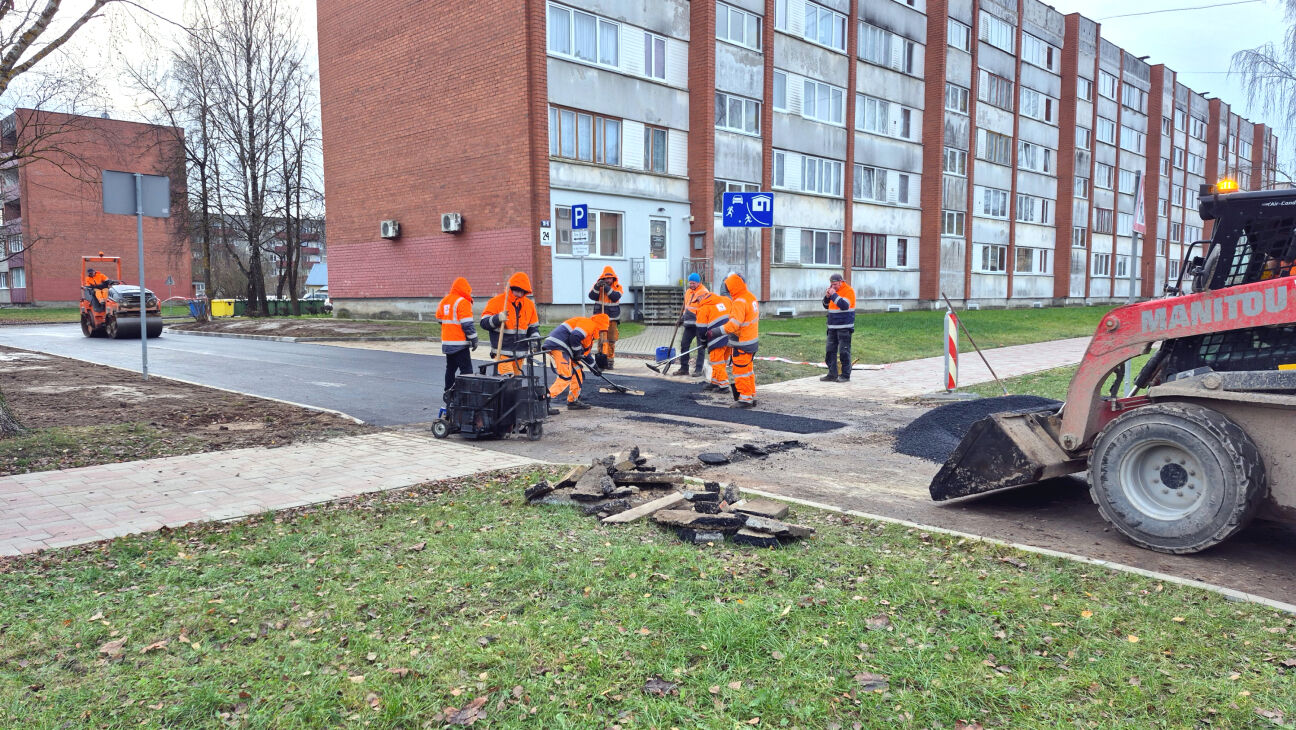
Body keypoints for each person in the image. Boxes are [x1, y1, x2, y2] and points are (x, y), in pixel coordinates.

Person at [543, 313, 609, 411]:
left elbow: (585, 354)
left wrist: (595, 368)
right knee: (565, 376)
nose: (601, 333)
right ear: (600, 325)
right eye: (602, 330)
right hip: (559, 346)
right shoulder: (589, 324)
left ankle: (573, 401)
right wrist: (577, 352)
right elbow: (575, 336)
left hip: (565, 348)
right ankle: (543, 402)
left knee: (578, 372)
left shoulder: (589, 333)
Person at [480, 272, 541, 376]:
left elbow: (533, 327)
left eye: (523, 291)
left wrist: (535, 341)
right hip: (502, 351)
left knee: (516, 381)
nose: (520, 294)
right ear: (511, 288)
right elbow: (484, 323)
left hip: (520, 353)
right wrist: (497, 318)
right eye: (517, 291)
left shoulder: (529, 305)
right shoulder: (496, 302)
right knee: (508, 379)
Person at [720, 272, 760, 408]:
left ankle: (745, 398)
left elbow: (734, 324)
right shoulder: (750, 297)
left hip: (741, 343)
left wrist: (717, 331)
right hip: (751, 341)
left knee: (740, 371)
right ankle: (752, 395)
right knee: (748, 370)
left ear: (731, 288)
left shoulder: (739, 302)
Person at [436, 277, 478, 397]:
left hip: (447, 343)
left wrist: (450, 327)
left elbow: (439, 318)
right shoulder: (463, 302)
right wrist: (474, 339)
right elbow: (467, 324)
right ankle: (466, 395)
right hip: (460, 344)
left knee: (450, 369)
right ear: (465, 289)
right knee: (467, 371)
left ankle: (448, 393)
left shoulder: (445, 300)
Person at [694, 287, 734, 394]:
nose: (697, 303)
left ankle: (724, 386)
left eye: (697, 300)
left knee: (717, 362)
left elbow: (701, 328)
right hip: (730, 337)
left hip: (717, 338)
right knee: (721, 362)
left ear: (702, 297)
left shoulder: (704, 308)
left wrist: (703, 341)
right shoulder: (726, 300)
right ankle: (715, 382)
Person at [821, 273, 856, 382]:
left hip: (844, 327)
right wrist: (827, 297)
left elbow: (844, 305)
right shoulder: (833, 292)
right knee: (830, 351)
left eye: (835, 284)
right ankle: (832, 374)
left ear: (841, 282)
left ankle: (845, 375)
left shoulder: (849, 291)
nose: (833, 286)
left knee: (844, 351)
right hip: (832, 327)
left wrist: (834, 294)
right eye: (831, 284)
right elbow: (826, 306)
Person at [674, 273, 710, 377]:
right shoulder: (688, 292)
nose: (691, 285)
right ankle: (684, 368)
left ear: (699, 282)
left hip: (700, 325)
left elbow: (706, 309)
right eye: (690, 283)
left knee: (700, 347)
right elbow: (686, 308)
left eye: (693, 283)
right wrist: (682, 319)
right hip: (689, 324)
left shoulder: (704, 292)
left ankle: (698, 369)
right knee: (684, 345)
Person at [588, 266, 623, 369]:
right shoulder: (598, 286)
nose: (608, 280)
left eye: (609, 278)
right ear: (603, 278)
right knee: (602, 340)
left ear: (613, 278)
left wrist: (606, 288)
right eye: (606, 278)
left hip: (612, 318)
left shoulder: (618, 287)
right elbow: (592, 296)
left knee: (611, 340)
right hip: (601, 318)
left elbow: (615, 297)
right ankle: (602, 362)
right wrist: (597, 287)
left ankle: (610, 361)